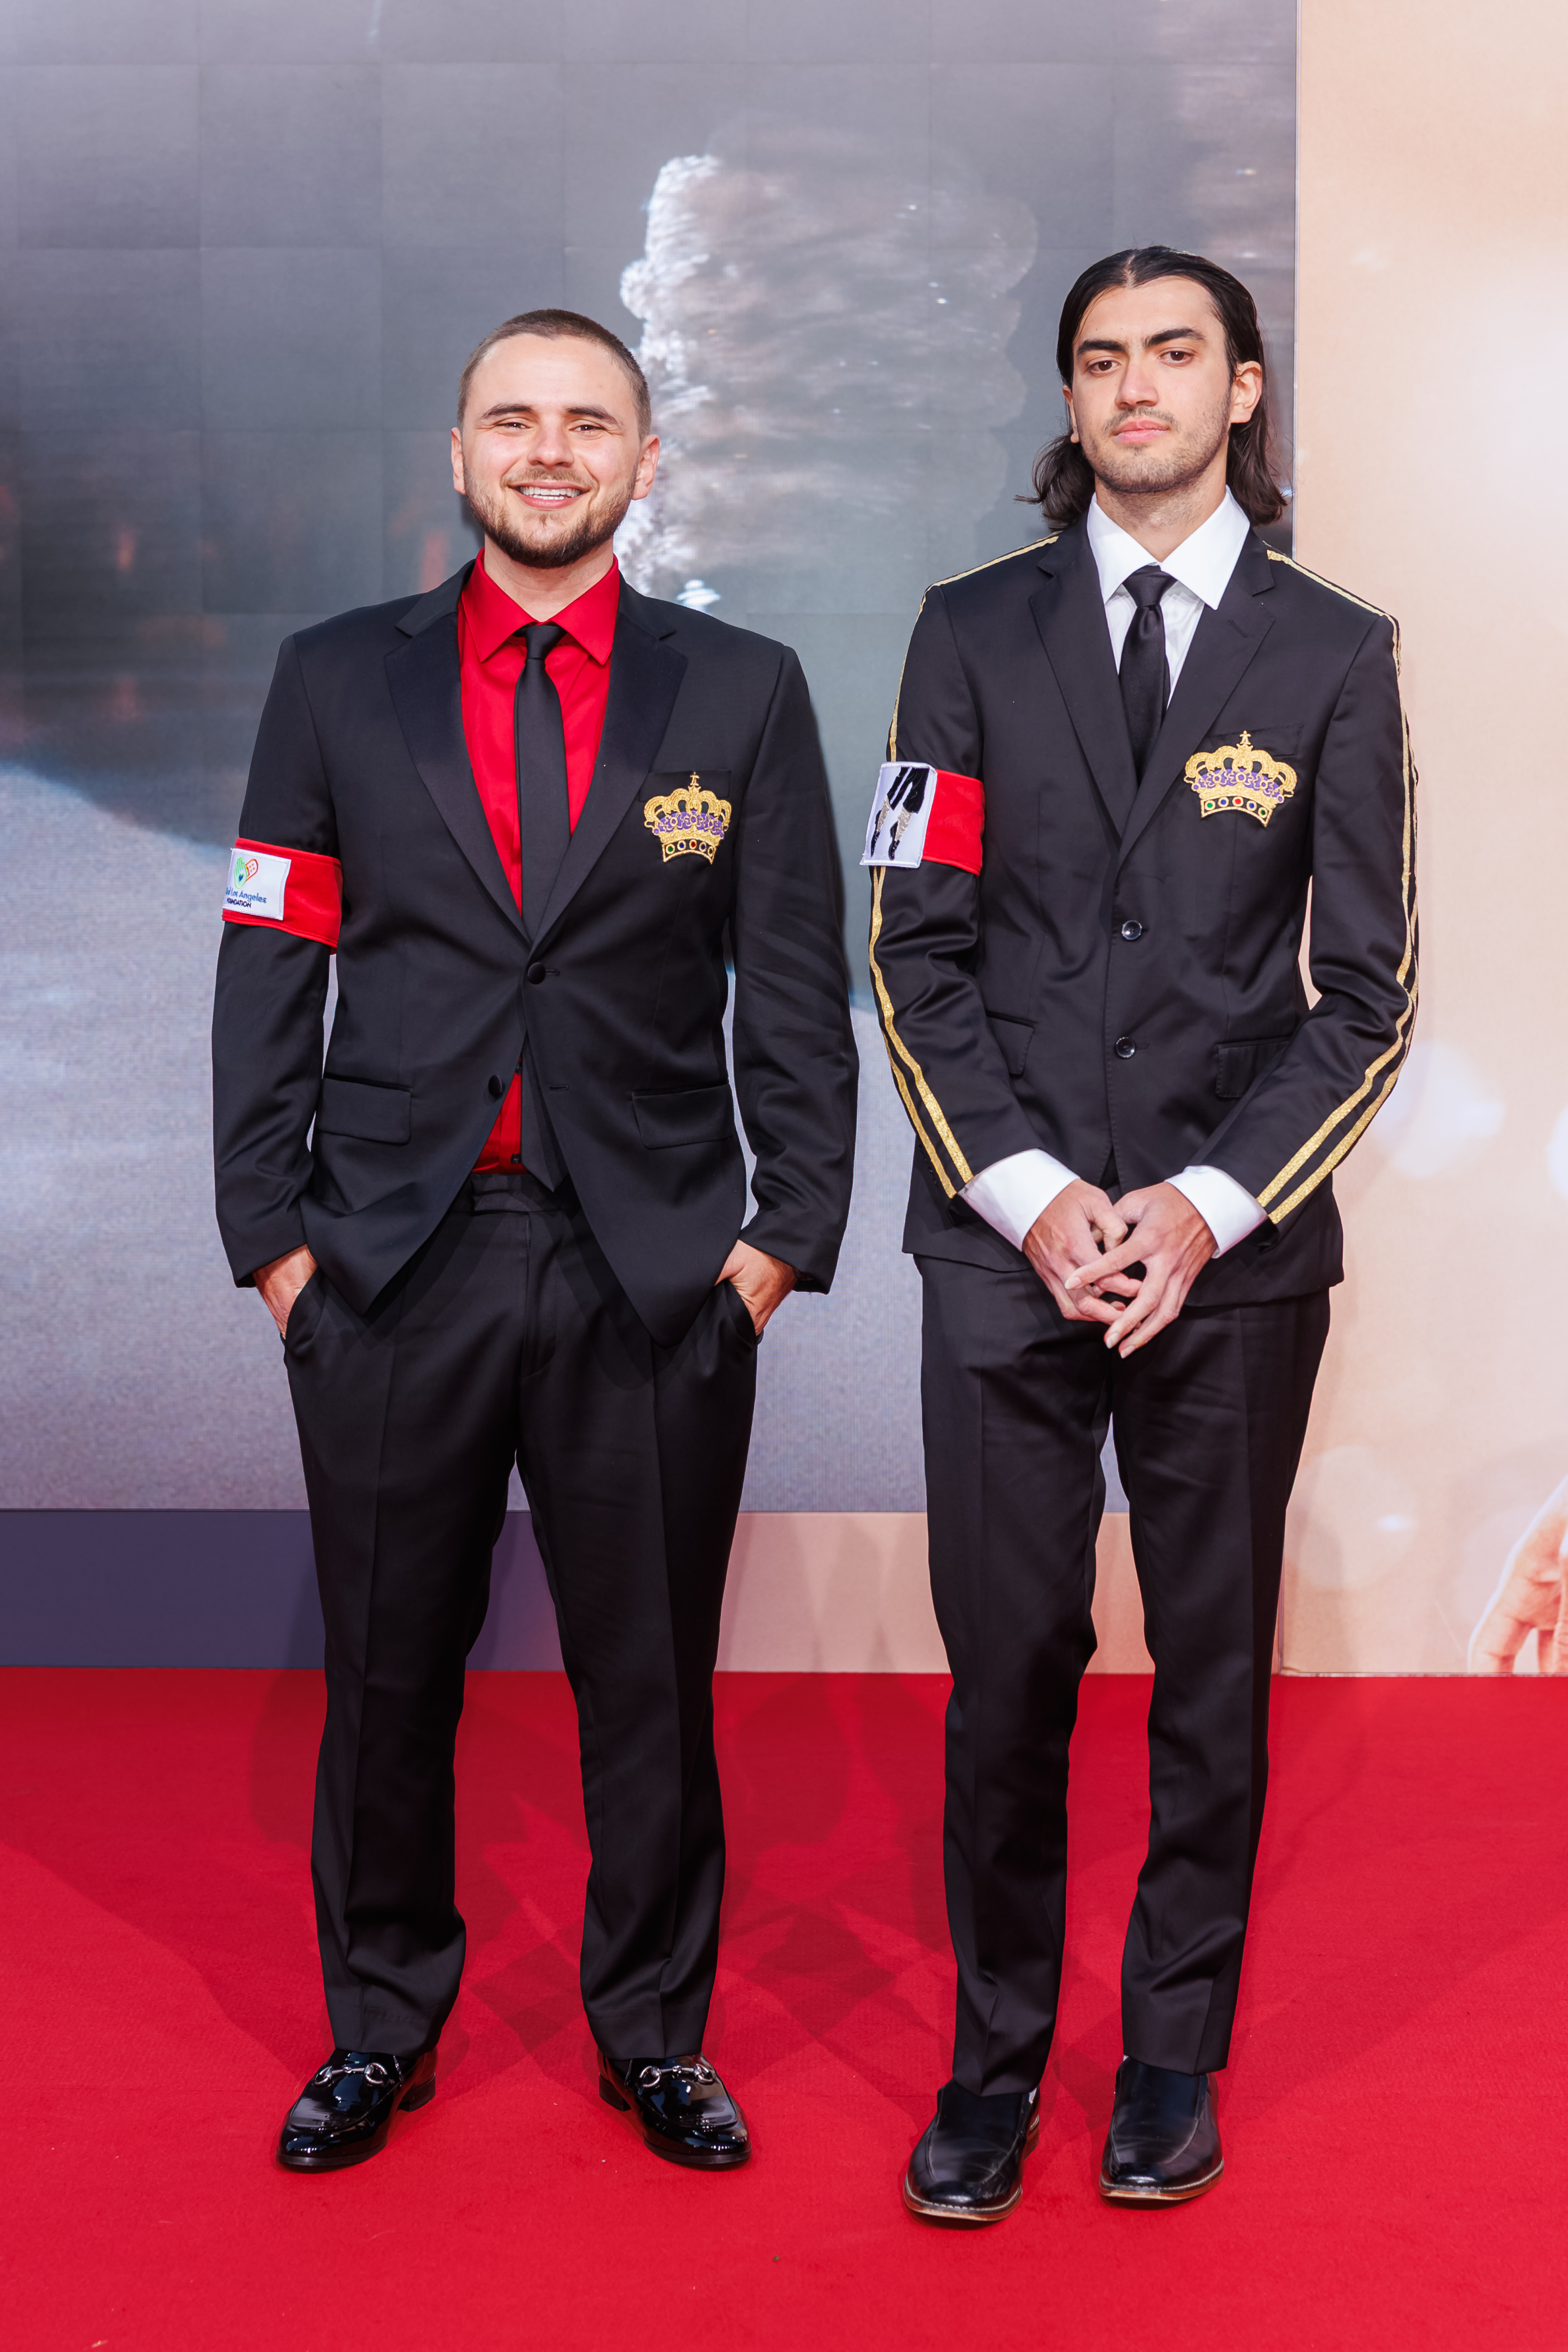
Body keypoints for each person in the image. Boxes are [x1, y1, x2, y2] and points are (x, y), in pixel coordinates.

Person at [212, 309, 858, 2173]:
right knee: (384, 1677)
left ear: (646, 461)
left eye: (588, 421)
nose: (549, 449)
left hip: (654, 1273)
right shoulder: (336, 680)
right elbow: (272, 958)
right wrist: (273, 1241)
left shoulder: (743, 690)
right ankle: (378, 2026)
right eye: (514, 419)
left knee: (647, 1684)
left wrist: (779, 1243)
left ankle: (655, 2033)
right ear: (460, 453)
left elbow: (792, 987)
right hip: (387, 1261)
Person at [864, 247, 1416, 2220]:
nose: (1135, 389)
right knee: (1007, 1668)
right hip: (1001, 1250)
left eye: (1175, 353)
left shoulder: (1338, 652)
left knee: (1210, 1674)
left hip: (1232, 1262)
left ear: (1243, 388)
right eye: (1100, 360)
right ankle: (995, 2060)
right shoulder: (964, 632)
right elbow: (910, 945)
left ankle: (1171, 2059)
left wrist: (1197, 1206)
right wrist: (1028, 1197)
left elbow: (1369, 996)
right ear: (1071, 398)